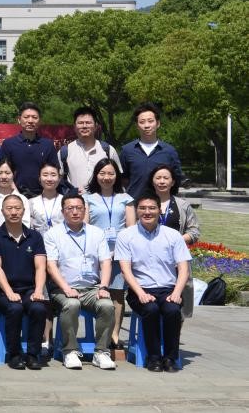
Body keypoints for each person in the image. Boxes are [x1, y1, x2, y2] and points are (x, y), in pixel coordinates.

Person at [116, 193, 191, 372]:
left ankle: (170, 358)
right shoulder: (126, 235)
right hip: (140, 289)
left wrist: (177, 293)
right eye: (142, 208)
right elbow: (126, 270)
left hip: (168, 289)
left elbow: (184, 269)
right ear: (136, 211)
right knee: (151, 310)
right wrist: (141, 293)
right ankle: (153, 357)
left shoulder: (173, 235)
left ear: (159, 210)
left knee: (172, 311)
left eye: (152, 208)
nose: (147, 212)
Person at [44, 194, 117, 371]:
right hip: (62, 288)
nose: (75, 212)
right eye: (70, 208)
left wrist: (104, 286)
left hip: (92, 288)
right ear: (63, 211)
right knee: (71, 304)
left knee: (107, 305)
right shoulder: (52, 234)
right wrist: (66, 288)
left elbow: (105, 262)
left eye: (79, 208)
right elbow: (51, 265)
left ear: (85, 210)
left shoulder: (96, 233)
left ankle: (101, 352)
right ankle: (69, 351)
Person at [0, 193, 47, 370]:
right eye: (9, 208)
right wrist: (9, 292)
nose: (13, 212)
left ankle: (33, 354)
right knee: (15, 308)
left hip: (28, 289)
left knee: (39, 308)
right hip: (1, 291)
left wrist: (38, 290)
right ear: (2, 211)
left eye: (17, 208)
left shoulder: (35, 236)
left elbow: (40, 267)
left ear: (24, 211)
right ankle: (14, 354)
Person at [86, 157, 136, 349]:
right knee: (96, 294)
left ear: (117, 176)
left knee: (117, 295)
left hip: (118, 254)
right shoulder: (88, 198)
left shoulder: (126, 199)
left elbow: (131, 228)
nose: (106, 177)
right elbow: (86, 227)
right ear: (96, 175)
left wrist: (120, 251)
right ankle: (99, 333)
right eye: (102, 173)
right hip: (95, 254)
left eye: (111, 173)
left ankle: (114, 334)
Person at [145, 164, 200, 318]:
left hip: (176, 259)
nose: (162, 181)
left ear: (173, 182)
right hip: (151, 259)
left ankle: (175, 330)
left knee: (178, 302)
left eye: (166, 178)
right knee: (152, 304)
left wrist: (175, 241)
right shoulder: (144, 204)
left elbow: (194, 231)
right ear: (152, 181)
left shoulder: (182, 205)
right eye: (158, 178)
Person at [120, 103, 184, 199]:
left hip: (161, 204)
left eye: (150, 121)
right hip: (134, 204)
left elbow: (176, 179)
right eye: (142, 122)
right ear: (137, 125)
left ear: (158, 123)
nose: (146, 125)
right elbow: (122, 178)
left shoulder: (169, 151)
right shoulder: (127, 150)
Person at [0, 102, 59, 197]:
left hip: (43, 195)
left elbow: (54, 171)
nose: (30, 121)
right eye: (26, 117)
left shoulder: (48, 145)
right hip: (14, 194)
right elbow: (4, 172)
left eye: (34, 117)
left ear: (39, 121)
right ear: (19, 120)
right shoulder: (8, 144)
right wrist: (16, 194)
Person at [58, 106, 120, 193]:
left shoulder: (108, 150)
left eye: (88, 123)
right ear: (74, 127)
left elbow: (119, 179)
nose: (84, 126)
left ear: (96, 126)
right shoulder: (65, 151)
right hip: (76, 200)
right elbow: (58, 179)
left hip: (103, 199)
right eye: (80, 123)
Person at [0, 158, 32, 236]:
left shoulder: (23, 199)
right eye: (0, 173)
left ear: (14, 174)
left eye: (7, 173)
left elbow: (25, 225)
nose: (3, 176)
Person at [28, 163, 65, 236]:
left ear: (59, 178)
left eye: (53, 175)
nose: (49, 179)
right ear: (39, 178)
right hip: (39, 241)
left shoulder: (65, 201)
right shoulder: (31, 202)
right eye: (45, 175)